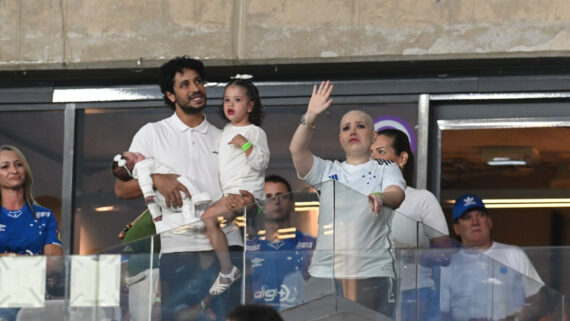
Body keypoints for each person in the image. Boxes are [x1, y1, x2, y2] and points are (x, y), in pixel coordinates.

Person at [114, 56, 253, 321]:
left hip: (226, 244)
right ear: (171, 94)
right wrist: (156, 179)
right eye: (184, 84)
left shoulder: (224, 137)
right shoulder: (152, 133)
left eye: (198, 81)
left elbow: (243, 193)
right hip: (179, 248)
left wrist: (243, 200)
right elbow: (122, 188)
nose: (195, 88)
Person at [289, 81, 406, 315]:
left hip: (370, 271)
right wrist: (311, 115)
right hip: (325, 271)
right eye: (346, 128)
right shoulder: (327, 169)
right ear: (340, 138)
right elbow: (297, 150)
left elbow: (397, 194)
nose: (352, 131)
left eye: (360, 126)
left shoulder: (384, 167)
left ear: (373, 137)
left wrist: (381, 196)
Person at [371, 128, 450, 321]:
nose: (373, 160)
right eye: (370, 154)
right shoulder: (363, 200)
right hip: (372, 293)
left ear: (402, 158)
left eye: (381, 152)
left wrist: (406, 251)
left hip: (414, 294)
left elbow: (446, 254)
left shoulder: (422, 199)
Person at [200, 78, 269, 296]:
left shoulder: (255, 132)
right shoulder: (225, 131)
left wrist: (245, 144)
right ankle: (233, 245)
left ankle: (228, 270)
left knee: (208, 218)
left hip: (244, 193)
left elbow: (261, 163)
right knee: (213, 219)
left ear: (250, 106)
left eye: (237, 100)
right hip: (229, 193)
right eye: (226, 99)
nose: (230, 104)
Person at [440, 193, 545, 321]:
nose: (475, 222)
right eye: (467, 217)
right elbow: (443, 312)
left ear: (489, 221)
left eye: (480, 215)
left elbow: (537, 298)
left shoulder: (513, 254)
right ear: (456, 228)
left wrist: (516, 317)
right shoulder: (449, 265)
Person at [0, 145, 63, 321]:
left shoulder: (44, 215)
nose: (13, 170)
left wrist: (9, 257)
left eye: (18, 164)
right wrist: (34, 263)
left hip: (33, 299)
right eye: (5, 166)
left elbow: (54, 264)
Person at [246, 175, 316, 311]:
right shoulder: (247, 249)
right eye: (268, 197)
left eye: (281, 196)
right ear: (260, 206)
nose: (276, 201)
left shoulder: (311, 245)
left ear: (292, 204)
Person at [112, 151, 211, 233]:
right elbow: (145, 182)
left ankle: (189, 220)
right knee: (186, 182)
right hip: (172, 190)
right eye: (135, 156)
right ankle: (196, 197)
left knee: (185, 204)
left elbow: (150, 202)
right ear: (134, 164)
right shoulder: (142, 166)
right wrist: (147, 192)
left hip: (163, 200)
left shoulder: (140, 170)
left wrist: (156, 214)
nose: (138, 153)